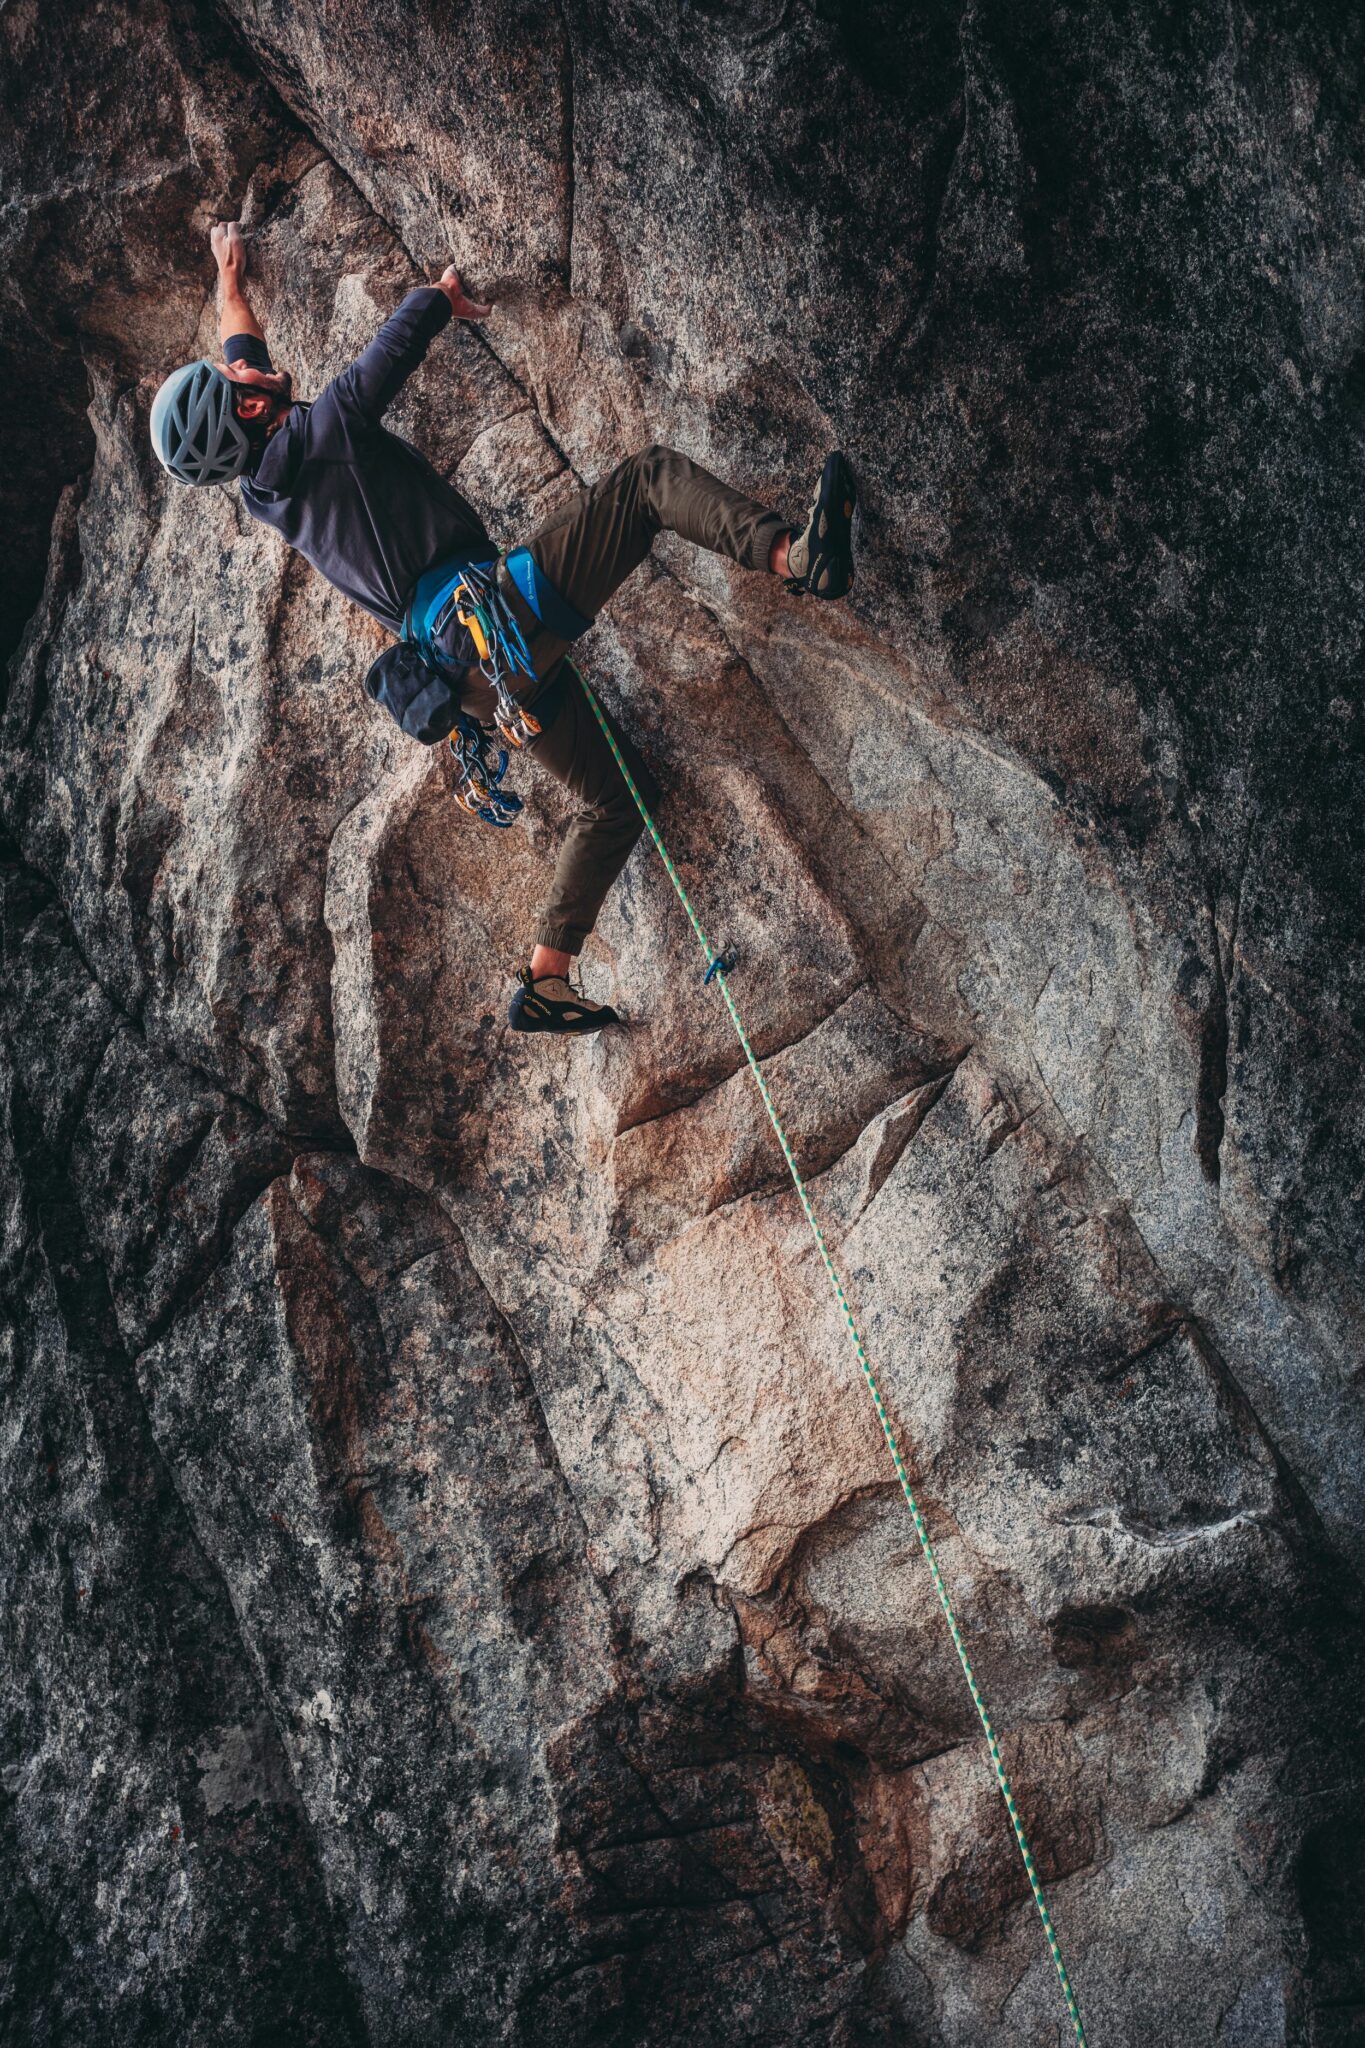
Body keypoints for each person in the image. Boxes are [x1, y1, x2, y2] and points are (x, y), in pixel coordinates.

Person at [150, 222, 857, 1036]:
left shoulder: (263, 490)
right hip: (495, 622)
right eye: (235, 374)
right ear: (245, 403)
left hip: (477, 686)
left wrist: (230, 280)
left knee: (616, 801)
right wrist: (439, 298)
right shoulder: (326, 431)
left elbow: (244, 359)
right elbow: (386, 358)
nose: (244, 361)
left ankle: (546, 978)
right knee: (646, 483)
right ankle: (794, 559)